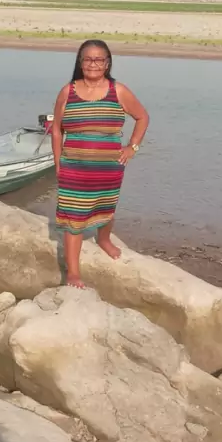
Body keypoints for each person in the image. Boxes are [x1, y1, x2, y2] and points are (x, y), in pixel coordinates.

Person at [51, 39, 149, 288]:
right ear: (80, 62)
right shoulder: (67, 92)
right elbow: (56, 131)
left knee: (105, 206)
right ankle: (73, 273)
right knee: (73, 217)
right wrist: (58, 162)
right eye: (88, 59)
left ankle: (104, 240)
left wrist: (132, 147)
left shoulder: (119, 91)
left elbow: (142, 117)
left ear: (107, 63)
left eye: (98, 59)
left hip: (108, 169)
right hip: (73, 168)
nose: (93, 64)